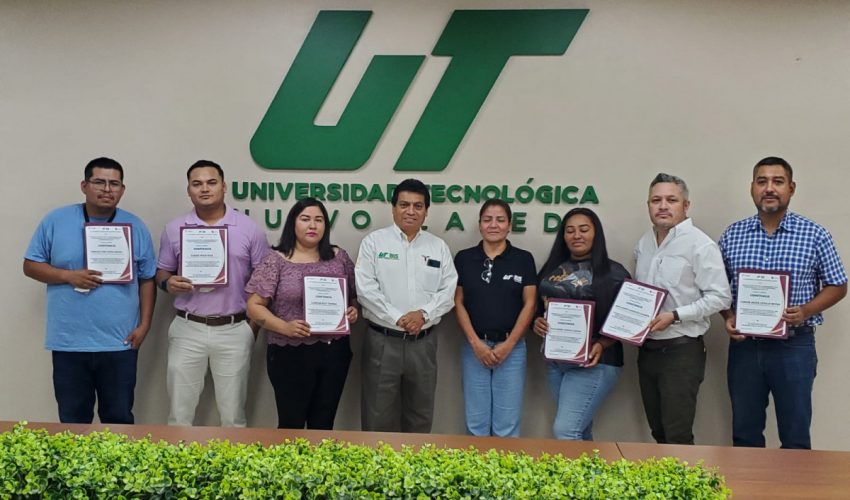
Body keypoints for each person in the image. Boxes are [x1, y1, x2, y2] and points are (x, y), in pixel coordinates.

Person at [719, 157, 847, 449]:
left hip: (794, 346)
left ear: (791, 188)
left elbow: (838, 285)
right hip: (745, 347)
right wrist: (728, 316)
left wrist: (806, 311)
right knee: (745, 434)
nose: (769, 188)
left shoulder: (815, 234)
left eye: (777, 181)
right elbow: (718, 288)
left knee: (795, 436)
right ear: (752, 188)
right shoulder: (732, 235)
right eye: (762, 181)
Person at [23, 157, 156, 424]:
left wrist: (144, 326)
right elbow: (30, 265)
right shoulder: (56, 220)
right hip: (69, 342)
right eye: (99, 182)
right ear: (84, 185)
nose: (107, 189)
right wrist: (68, 276)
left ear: (122, 189)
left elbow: (147, 279)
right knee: (73, 420)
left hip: (120, 342)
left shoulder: (135, 226)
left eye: (114, 184)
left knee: (119, 419)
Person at [156, 160, 270, 427]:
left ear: (224, 186)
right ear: (189, 190)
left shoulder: (249, 229)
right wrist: (168, 283)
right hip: (188, 327)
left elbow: (264, 282)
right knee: (179, 415)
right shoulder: (174, 228)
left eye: (211, 182)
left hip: (234, 328)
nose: (204, 189)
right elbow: (162, 271)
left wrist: (251, 328)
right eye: (197, 184)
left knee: (233, 416)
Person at [634, 173, 732, 445]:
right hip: (648, 349)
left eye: (671, 200)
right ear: (648, 205)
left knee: (677, 435)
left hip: (681, 350)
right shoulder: (644, 243)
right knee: (658, 431)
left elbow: (721, 297)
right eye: (656, 200)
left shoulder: (700, 244)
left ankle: (684, 476)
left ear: (686, 205)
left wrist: (676, 316)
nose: (663, 206)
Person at [245, 198, 358, 429]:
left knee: (324, 423)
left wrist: (353, 310)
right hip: (289, 353)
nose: (312, 225)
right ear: (293, 223)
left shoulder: (339, 257)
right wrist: (284, 327)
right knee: (291, 423)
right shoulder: (275, 260)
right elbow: (254, 306)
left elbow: (354, 296)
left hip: (333, 351)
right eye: (305, 219)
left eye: (319, 220)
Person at [355, 178, 458, 433]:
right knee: (377, 416)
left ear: (426, 211)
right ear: (393, 208)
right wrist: (398, 318)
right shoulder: (374, 243)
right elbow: (366, 291)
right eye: (404, 205)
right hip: (382, 341)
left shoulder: (438, 247)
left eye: (418, 206)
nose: (411, 211)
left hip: (423, 343)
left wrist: (423, 314)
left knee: (420, 416)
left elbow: (448, 291)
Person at [532, 208, 630, 440]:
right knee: (580, 430)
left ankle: (571, 469)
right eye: (570, 230)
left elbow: (629, 321)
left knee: (566, 431)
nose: (577, 235)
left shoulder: (614, 273)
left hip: (595, 363)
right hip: (557, 361)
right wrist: (536, 322)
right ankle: (588, 467)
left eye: (584, 229)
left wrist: (603, 343)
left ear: (596, 233)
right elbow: (536, 306)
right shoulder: (551, 268)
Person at [454, 200, 536, 437]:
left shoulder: (523, 259)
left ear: (509, 225)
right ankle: (476, 463)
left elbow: (530, 303)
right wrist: (475, 343)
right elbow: (457, 302)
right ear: (479, 224)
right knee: (476, 423)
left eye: (500, 220)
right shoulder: (464, 258)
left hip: (512, 348)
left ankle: (505, 464)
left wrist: (509, 345)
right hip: (474, 347)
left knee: (506, 425)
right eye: (487, 219)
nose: (493, 225)